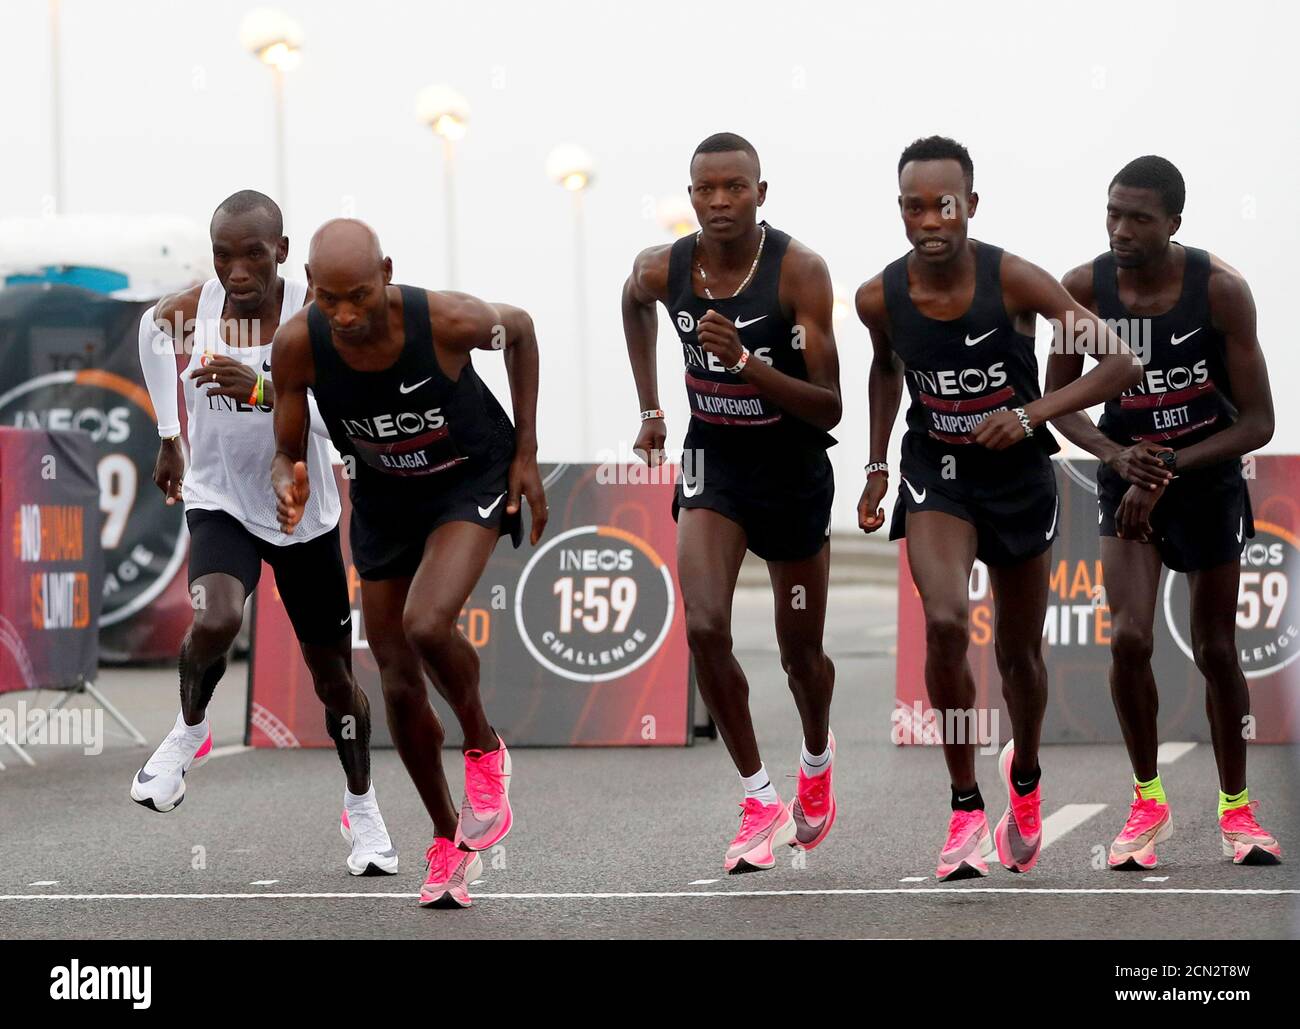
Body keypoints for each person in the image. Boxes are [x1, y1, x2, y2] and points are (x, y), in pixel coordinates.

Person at [855, 136, 1141, 880]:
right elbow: (885, 366)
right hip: (938, 475)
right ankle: (962, 807)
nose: (929, 218)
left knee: (1019, 655)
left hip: (1017, 479)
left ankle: (1025, 777)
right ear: (901, 211)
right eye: (914, 205)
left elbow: (1118, 361)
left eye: (943, 203)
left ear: (970, 206)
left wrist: (1032, 413)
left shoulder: (1014, 280)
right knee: (946, 621)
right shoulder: (876, 296)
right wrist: (878, 464)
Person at [271, 218, 546, 908]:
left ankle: (483, 746)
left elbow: (523, 329)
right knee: (395, 677)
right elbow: (286, 439)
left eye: (358, 295)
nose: (345, 314)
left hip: (467, 478)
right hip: (386, 496)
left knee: (428, 624)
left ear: (386, 273)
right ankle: (448, 838)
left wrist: (525, 452)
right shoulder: (299, 343)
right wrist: (288, 474)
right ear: (309, 286)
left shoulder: (447, 320)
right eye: (328, 298)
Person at [133, 190, 396, 877]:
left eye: (253, 254)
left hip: (300, 512)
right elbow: (149, 334)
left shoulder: (317, 318)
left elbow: (336, 423)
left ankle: (362, 807)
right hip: (219, 497)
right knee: (216, 616)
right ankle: (190, 730)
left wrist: (259, 391)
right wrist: (169, 435)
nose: (237, 270)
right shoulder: (196, 311)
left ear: (281, 252)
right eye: (223, 255)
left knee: (335, 683)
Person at [1048, 155, 1281, 868]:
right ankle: (1147, 801)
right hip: (1127, 476)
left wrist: (1173, 464)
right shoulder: (1083, 289)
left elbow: (1259, 422)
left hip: (1204, 477)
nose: (1120, 229)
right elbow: (1061, 403)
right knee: (1129, 639)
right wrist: (1121, 461)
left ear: (1174, 222)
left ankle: (1237, 812)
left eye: (1138, 218)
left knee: (1216, 648)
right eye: (1112, 213)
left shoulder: (1221, 292)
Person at [623, 133, 842, 873]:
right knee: (707, 626)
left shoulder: (799, 274)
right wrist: (652, 406)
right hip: (711, 462)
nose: (720, 202)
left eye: (735, 188)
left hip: (792, 469)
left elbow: (829, 406)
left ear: (761, 192)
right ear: (690, 197)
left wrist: (746, 361)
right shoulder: (666, 266)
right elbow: (632, 299)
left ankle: (816, 753)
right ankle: (757, 797)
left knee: (799, 653)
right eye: (705, 189)